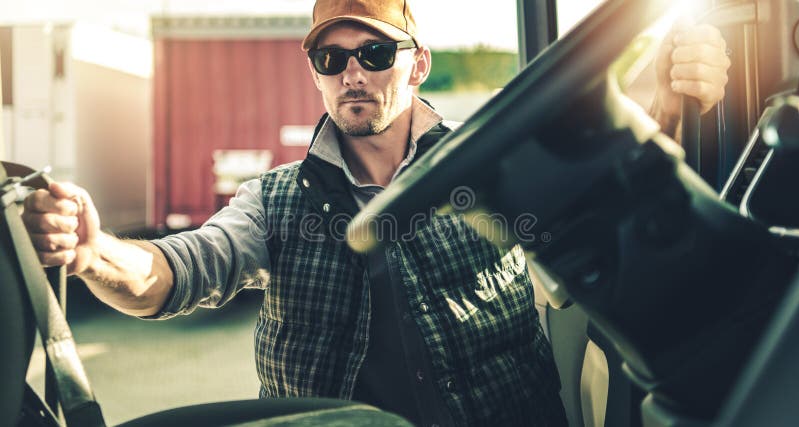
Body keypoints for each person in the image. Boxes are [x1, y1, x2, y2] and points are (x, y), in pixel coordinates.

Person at [21, 0, 730, 425]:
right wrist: (95, 253)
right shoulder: (275, 201)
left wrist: (670, 89)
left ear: (417, 64)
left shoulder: (494, 171)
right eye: (330, 59)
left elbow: (601, 186)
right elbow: (179, 269)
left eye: (373, 51)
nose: (352, 72)